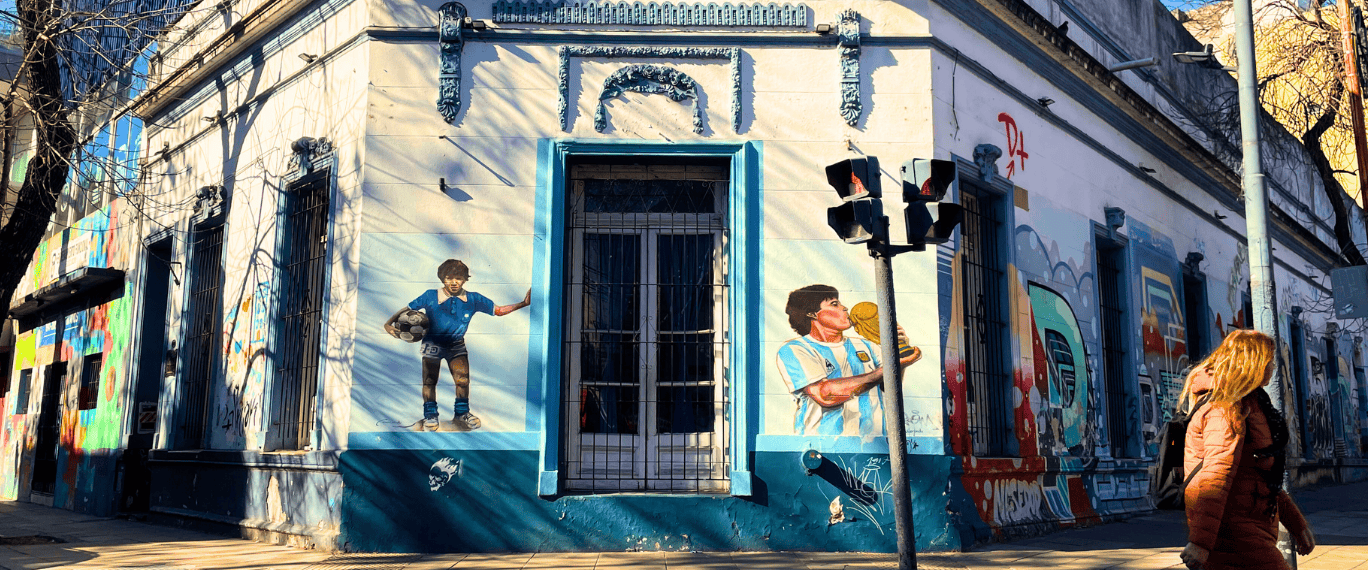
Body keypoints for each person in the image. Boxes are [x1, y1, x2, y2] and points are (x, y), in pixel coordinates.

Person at [1179, 329, 1315, 570]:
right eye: (1268, 361)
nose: (1273, 367)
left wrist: (1296, 524)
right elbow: (1215, 477)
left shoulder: (1253, 403)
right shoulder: (1224, 409)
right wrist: (1200, 543)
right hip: (1232, 530)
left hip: (1249, 524)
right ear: (1251, 362)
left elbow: (1260, 476)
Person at [383, 259, 530, 431]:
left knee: (463, 381)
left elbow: (498, 311)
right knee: (429, 382)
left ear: (465, 279)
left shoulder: (473, 299)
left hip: (456, 346)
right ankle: (430, 416)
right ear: (442, 279)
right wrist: (388, 324)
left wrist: (523, 303)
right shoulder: (430, 295)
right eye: (448, 277)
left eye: (458, 278)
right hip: (432, 344)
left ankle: (461, 414)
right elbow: (405, 309)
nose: (453, 282)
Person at [775, 284, 921, 436]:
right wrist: (889, 368)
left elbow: (888, 386)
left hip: (873, 445)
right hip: (822, 446)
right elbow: (826, 394)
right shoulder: (796, 349)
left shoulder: (866, 345)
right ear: (812, 314)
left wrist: (898, 355)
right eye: (834, 304)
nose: (844, 308)